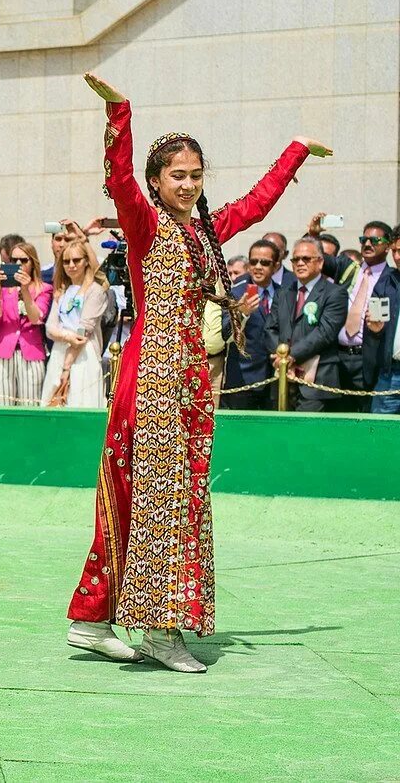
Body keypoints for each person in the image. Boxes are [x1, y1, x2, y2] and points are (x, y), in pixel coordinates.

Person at [66, 72, 329, 673]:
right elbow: (117, 181)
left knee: (154, 499)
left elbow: (258, 203)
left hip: (186, 379)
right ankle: (160, 631)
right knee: (160, 501)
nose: (187, 185)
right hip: (151, 377)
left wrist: (295, 152)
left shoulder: (204, 232)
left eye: (195, 176)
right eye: (176, 176)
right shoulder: (145, 224)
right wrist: (118, 113)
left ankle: (92, 616)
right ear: (158, 182)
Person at [264, 239, 348, 412]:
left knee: (308, 436)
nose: (300, 263)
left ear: (320, 262)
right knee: (281, 434)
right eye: (295, 259)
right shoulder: (283, 293)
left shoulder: (335, 293)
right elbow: (270, 328)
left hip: (317, 380)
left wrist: (291, 356)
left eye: (306, 259)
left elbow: (325, 332)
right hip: (282, 378)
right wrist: (281, 359)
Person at [40, 239, 108, 408]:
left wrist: (67, 367)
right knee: (53, 404)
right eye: (66, 261)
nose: (71, 265)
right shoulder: (62, 290)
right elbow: (49, 328)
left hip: (83, 355)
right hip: (59, 351)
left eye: (76, 260)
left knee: (81, 402)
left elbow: (84, 330)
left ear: (86, 261)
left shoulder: (95, 291)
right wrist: (67, 336)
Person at [334, 222, 393, 410]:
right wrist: (312, 233)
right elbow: (316, 259)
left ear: (388, 245)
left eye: (375, 240)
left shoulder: (393, 278)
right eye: (363, 239)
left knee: (367, 412)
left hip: (369, 359)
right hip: (339, 357)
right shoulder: (348, 269)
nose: (367, 244)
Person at [220, 239, 282, 410]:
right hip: (243, 379)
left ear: (276, 266)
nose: (258, 266)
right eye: (254, 262)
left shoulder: (284, 292)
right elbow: (224, 334)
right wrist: (241, 313)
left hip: (275, 378)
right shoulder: (235, 293)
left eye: (265, 262)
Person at [0, 242, 51, 406]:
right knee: (2, 406)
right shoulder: (0, 288)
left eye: (23, 260)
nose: (17, 265)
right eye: (13, 260)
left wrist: (25, 290)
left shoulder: (43, 288)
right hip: (2, 352)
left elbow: (36, 318)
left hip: (31, 352)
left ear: (33, 263)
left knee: (30, 406)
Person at [364, 231, 400, 414]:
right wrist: (375, 330)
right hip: (391, 372)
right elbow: (376, 327)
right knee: (379, 433)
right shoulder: (387, 282)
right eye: (395, 251)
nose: (397, 256)